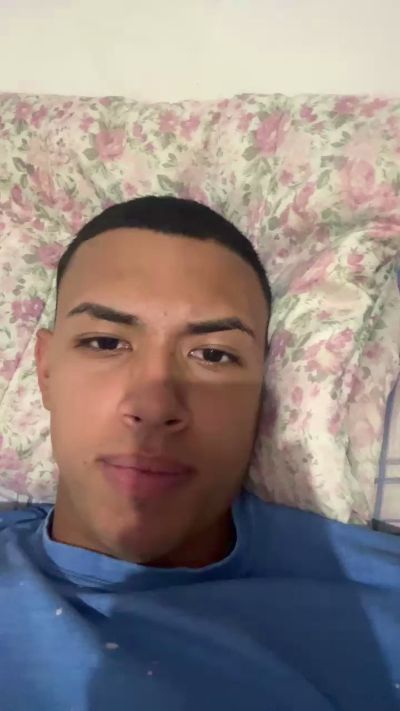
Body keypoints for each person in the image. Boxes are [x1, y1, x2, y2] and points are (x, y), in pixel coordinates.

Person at [0, 196, 399, 711]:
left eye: (212, 354)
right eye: (105, 343)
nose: (154, 407)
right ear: (45, 371)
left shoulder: (378, 606)